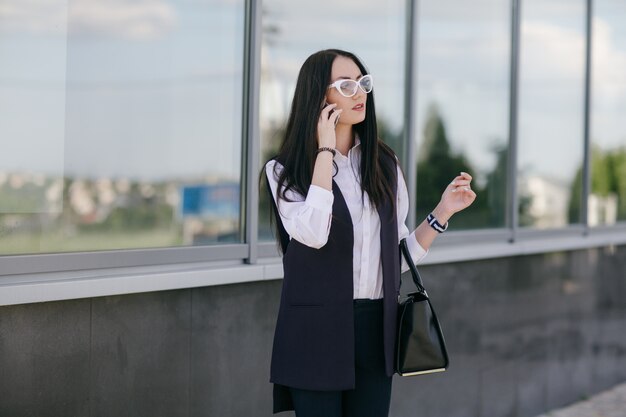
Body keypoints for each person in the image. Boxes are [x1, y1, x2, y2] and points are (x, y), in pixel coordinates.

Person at [262, 49, 476, 417]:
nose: (359, 93)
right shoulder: (284, 170)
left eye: (363, 83)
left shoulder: (385, 164)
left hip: (376, 326)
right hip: (316, 329)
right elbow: (313, 233)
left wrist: (443, 212)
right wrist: (325, 150)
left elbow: (394, 256)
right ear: (319, 95)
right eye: (345, 85)